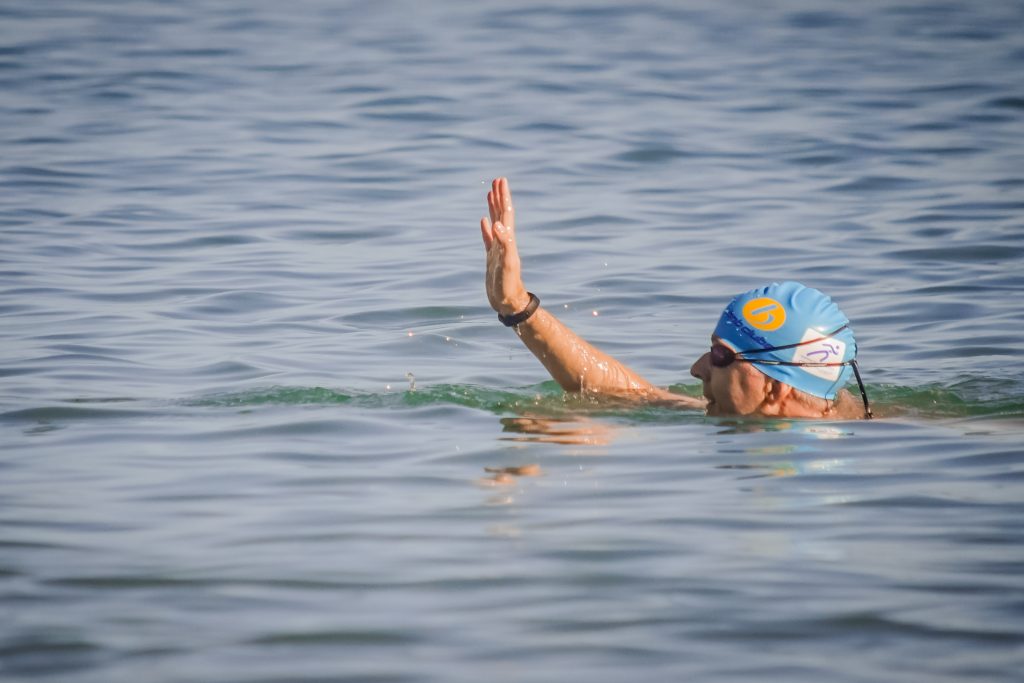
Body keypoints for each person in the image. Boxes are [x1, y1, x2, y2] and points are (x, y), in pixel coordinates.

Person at [479, 178, 872, 420]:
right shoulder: (756, 414)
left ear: (776, 389)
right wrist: (518, 306)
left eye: (720, 356)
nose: (697, 369)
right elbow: (629, 394)